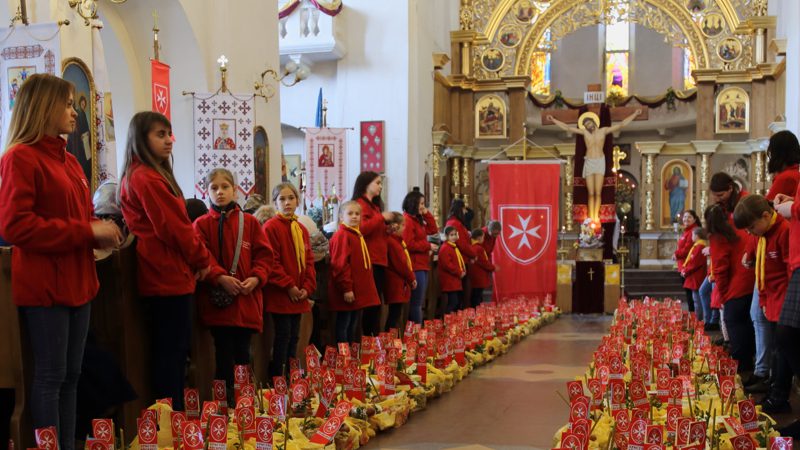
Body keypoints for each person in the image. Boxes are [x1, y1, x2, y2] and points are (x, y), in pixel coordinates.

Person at [0, 74, 122, 450]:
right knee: (51, 377)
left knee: (72, 375)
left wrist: (99, 230)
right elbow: (17, 226)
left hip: (78, 280)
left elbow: (77, 218)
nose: (73, 112)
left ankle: (67, 443)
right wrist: (88, 232)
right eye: (67, 104)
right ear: (43, 108)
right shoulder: (20, 157)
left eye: (73, 104)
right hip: (45, 285)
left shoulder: (68, 161)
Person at [119, 111, 213, 410]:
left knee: (171, 353)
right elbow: (176, 229)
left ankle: (170, 421)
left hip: (166, 272)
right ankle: (170, 423)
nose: (169, 140)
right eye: (160, 134)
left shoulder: (144, 175)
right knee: (171, 356)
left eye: (169, 133)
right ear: (140, 138)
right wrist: (202, 260)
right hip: (166, 275)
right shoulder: (146, 177)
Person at [194, 168, 272, 392]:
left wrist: (256, 278)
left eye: (225, 187)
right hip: (219, 303)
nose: (220, 192)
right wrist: (219, 277)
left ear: (236, 191)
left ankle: (244, 402)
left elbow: (265, 255)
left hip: (245, 300)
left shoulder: (250, 223)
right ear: (206, 192)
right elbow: (202, 256)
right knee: (223, 356)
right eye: (214, 188)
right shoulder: (201, 224)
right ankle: (224, 405)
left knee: (243, 355)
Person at [733, 194, 790, 401]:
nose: (749, 233)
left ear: (766, 216)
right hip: (771, 299)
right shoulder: (761, 235)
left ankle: (778, 394)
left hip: (784, 300)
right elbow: (761, 272)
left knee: (782, 348)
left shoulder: (784, 231)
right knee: (777, 346)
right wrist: (764, 301)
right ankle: (774, 389)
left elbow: (789, 272)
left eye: (750, 228)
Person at [262, 182, 316, 377]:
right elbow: (272, 262)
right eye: (282, 199)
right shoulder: (271, 227)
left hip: (299, 294)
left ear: (297, 200)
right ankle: (279, 378)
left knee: (295, 337)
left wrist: (307, 287)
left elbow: (309, 260)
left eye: (291, 198)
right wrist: (289, 286)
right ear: (275, 203)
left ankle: (292, 378)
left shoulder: (301, 228)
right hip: (281, 294)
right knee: (282, 336)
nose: (287, 203)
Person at [548, 109, 641, 221]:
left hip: (600, 162)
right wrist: (554, 120)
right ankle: (590, 218)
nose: (588, 126)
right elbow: (568, 128)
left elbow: (621, 125)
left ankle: (596, 217)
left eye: (589, 123)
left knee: (598, 192)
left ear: (594, 122)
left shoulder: (603, 131)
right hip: (589, 162)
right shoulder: (585, 132)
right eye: (586, 125)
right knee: (591, 193)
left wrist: (634, 114)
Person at [705, 204, 755, 374]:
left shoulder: (718, 236)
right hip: (751, 280)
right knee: (746, 323)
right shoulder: (738, 228)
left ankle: (742, 366)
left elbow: (720, 268)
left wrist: (724, 294)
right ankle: (748, 363)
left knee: (733, 321)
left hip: (736, 285)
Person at [328, 201, 380, 343]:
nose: (354, 216)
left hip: (357, 291)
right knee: (344, 325)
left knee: (353, 325)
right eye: (350, 213)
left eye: (357, 214)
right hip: (347, 291)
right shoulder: (342, 235)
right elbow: (340, 265)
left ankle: (351, 356)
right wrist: (347, 288)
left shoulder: (357, 235)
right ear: (341, 217)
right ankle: (344, 357)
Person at [352, 171, 393, 335]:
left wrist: (388, 229)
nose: (380, 186)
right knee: (370, 305)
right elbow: (361, 228)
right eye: (377, 183)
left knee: (376, 304)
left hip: (379, 259)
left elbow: (376, 232)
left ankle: (374, 340)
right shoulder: (359, 205)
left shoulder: (374, 206)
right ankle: (369, 340)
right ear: (366, 184)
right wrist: (381, 218)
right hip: (369, 260)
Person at [401, 191, 439, 324]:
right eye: (421, 203)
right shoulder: (407, 220)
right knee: (416, 304)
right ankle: (416, 336)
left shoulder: (417, 220)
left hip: (422, 264)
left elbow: (433, 230)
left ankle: (416, 335)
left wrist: (426, 213)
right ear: (413, 203)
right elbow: (408, 244)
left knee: (419, 303)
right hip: (415, 265)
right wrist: (427, 245)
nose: (423, 206)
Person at [384, 212, 417, 332]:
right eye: (402, 225)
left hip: (399, 282)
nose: (404, 228)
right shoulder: (392, 242)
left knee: (396, 314)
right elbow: (401, 264)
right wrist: (411, 278)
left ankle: (393, 340)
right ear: (394, 226)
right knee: (394, 315)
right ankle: (390, 341)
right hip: (395, 282)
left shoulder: (398, 241)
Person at [446, 198, 476, 309]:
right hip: (460, 260)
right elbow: (462, 243)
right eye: (464, 209)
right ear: (460, 209)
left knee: (462, 293)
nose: (465, 212)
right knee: (461, 294)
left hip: (462, 259)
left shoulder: (455, 222)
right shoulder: (455, 223)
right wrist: (473, 254)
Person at [673, 210, 700, 313]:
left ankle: (693, 316)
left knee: (691, 293)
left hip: (689, 266)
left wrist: (676, 254)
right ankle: (692, 315)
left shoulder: (694, 231)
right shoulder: (687, 230)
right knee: (689, 293)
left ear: (694, 219)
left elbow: (688, 248)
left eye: (689, 217)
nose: (686, 219)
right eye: (684, 217)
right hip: (683, 265)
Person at [681, 227, 708, 320]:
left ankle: (698, 319)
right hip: (695, 275)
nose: (691, 237)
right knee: (696, 298)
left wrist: (685, 271)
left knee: (697, 300)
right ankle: (698, 317)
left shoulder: (699, 246)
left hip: (696, 276)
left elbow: (694, 262)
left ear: (697, 236)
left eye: (692, 235)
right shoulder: (698, 245)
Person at [439, 226, 467, 314]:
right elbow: (448, 265)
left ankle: (453, 321)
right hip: (450, 280)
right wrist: (459, 272)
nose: (454, 236)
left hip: (455, 280)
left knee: (457, 302)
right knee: (453, 303)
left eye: (455, 234)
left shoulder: (453, 247)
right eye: (451, 235)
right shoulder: (445, 248)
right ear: (446, 236)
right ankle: (448, 320)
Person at [468, 229, 496, 307]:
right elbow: (484, 262)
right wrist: (493, 267)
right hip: (479, 277)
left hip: (474, 277)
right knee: (477, 297)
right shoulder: (479, 248)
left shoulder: (471, 247)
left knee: (476, 296)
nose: (484, 240)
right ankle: (477, 314)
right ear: (479, 238)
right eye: (483, 237)